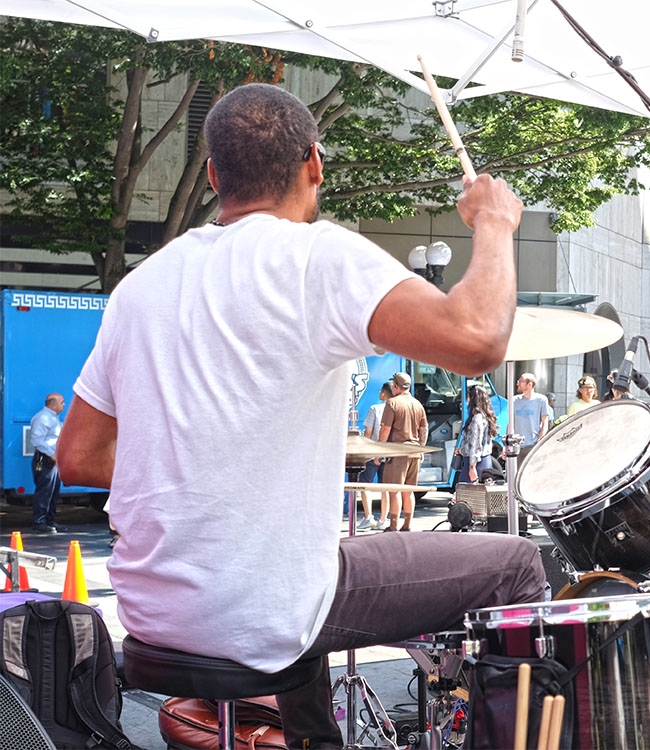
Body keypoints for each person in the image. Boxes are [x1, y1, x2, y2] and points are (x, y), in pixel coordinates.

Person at [55, 83, 544, 750]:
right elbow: (478, 338)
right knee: (515, 564)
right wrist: (494, 222)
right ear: (315, 163)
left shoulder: (142, 285)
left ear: (212, 175)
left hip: (152, 612)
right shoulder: (316, 256)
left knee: (296, 570)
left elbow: (78, 458)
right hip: (259, 613)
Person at [379, 372, 428, 532]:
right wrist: (421, 447)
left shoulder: (392, 403)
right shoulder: (417, 404)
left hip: (397, 453)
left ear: (396, 387)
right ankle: (407, 525)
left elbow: (385, 429)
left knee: (395, 491)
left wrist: (380, 450)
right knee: (409, 491)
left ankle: (393, 526)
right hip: (414, 452)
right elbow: (424, 429)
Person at [357, 381, 393, 531]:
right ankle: (383, 519)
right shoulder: (395, 409)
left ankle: (368, 517)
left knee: (366, 484)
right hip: (390, 453)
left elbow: (368, 433)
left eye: (380, 391)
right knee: (385, 487)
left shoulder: (374, 409)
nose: (379, 393)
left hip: (373, 453)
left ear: (384, 393)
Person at [29, 393, 66, 534]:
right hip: (45, 460)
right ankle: (40, 521)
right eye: (62, 402)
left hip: (53, 460)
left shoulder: (53, 418)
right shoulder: (42, 418)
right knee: (44, 491)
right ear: (53, 404)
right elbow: (37, 440)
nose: (64, 404)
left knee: (53, 492)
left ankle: (50, 521)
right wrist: (52, 454)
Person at [455, 384, 498, 483]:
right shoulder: (485, 416)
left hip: (475, 463)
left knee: (467, 495)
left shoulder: (476, 418)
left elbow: (476, 444)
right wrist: (462, 449)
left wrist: (471, 467)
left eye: (468, 396)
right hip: (484, 460)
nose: (467, 399)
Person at [511, 372, 549, 457]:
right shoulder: (514, 400)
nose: (518, 383)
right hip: (516, 446)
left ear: (529, 384)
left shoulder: (541, 400)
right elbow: (510, 423)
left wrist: (539, 442)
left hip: (532, 445)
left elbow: (544, 423)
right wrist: (506, 446)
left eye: (521, 381)